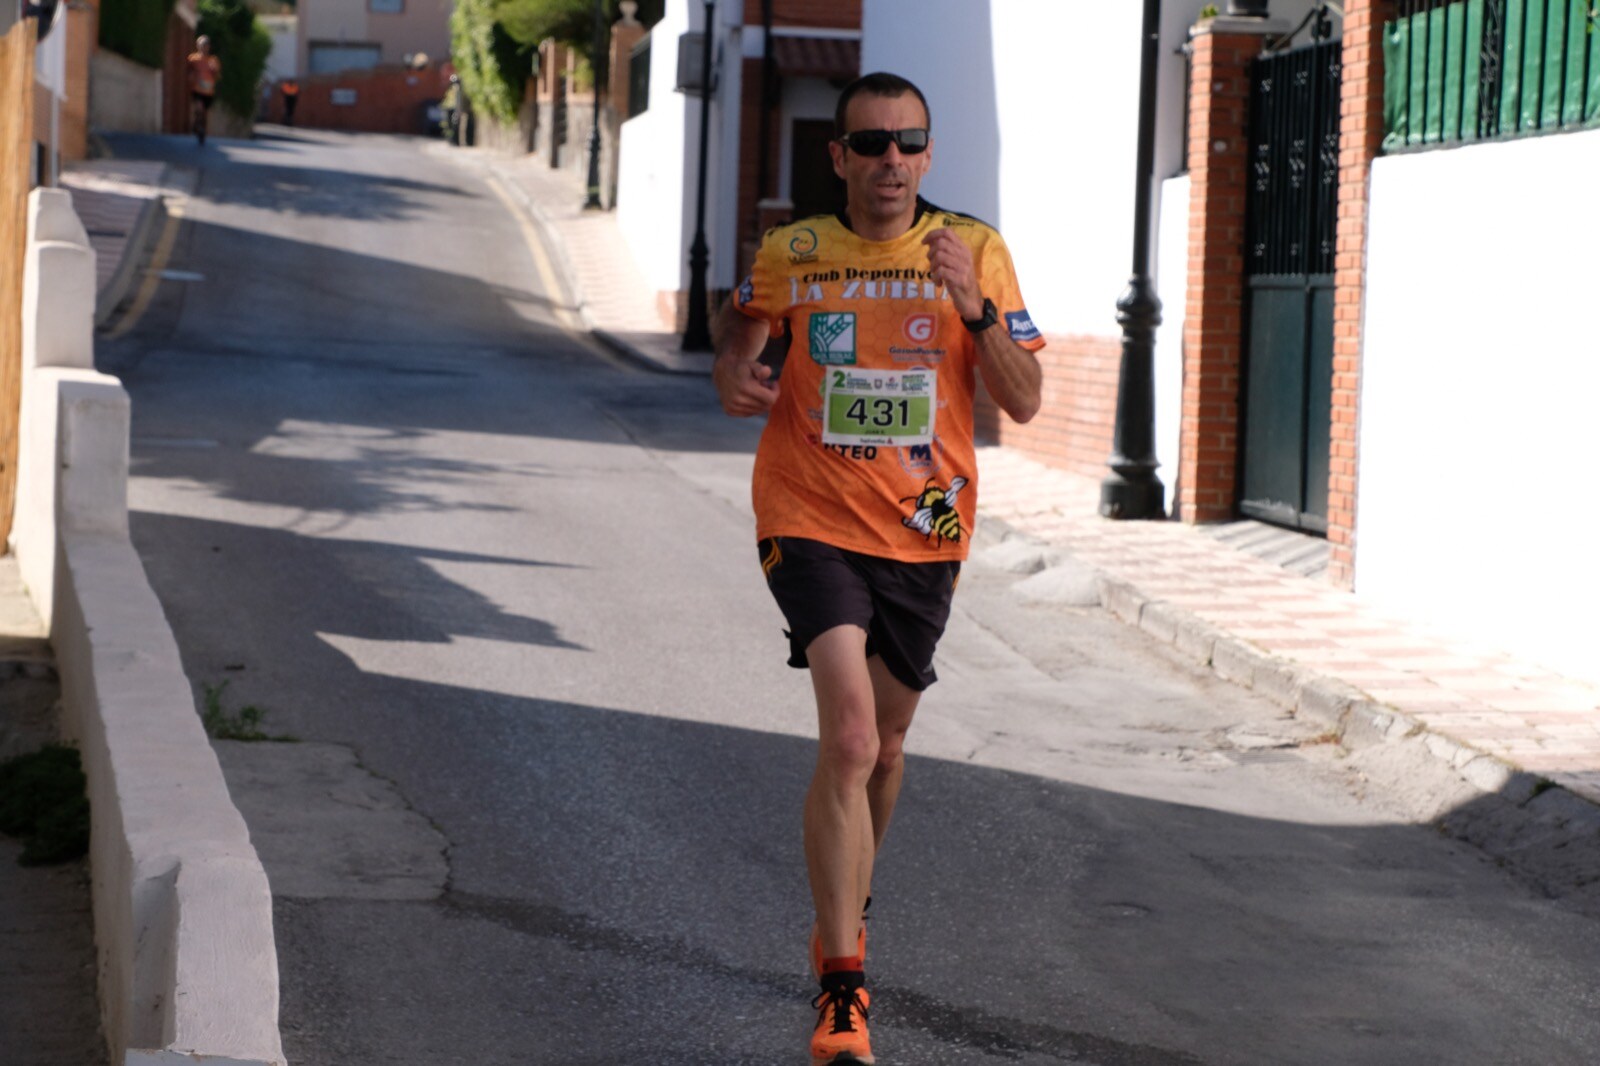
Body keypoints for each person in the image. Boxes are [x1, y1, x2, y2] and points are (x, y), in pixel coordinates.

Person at [712, 71, 1045, 1065]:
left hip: (926, 527)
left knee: (888, 750)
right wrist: (735, 364)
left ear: (927, 155)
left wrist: (973, 309)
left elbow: (1025, 399)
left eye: (906, 143)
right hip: (806, 513)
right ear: (838, 156)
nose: (889, 160)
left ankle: (839, 911)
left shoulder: (973, 249)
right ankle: (843, 987)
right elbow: (743, 325)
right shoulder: (795, 250)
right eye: (869, 144)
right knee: (851, 738)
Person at [186, 36, 222, 146]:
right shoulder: (192, 59)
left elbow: (217, 76)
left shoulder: (213, 60)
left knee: (205, 113)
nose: (203, 48)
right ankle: (197, 123)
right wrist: (191, 77)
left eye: (205, 46)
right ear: (197, 46)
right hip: (197, 89)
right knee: (199, 108)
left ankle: (202, 131)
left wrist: (214, 70)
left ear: (209, 47)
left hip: (208, 91)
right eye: (201, 45)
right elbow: (188, 71)